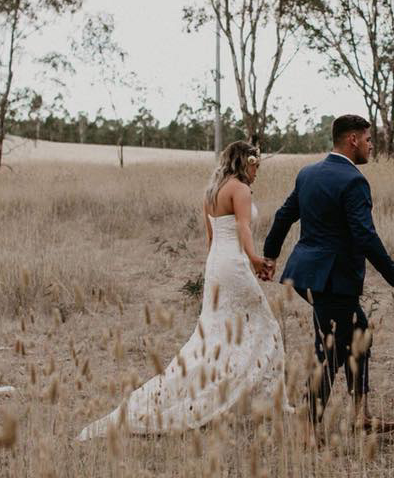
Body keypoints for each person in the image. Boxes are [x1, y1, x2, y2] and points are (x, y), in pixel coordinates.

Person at [78, 141, 286, 440]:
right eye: (256, 166)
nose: (257, 172)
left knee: (215, 333)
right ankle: (247, 395)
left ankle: (225, 388)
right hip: (234, 263)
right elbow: (244, 228)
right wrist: (254, 259)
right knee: (264, 325)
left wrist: (220, 267)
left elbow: (210, 238)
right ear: (245, 162)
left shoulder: (212, 190)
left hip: (216, 264)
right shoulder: (239, 189)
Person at [263, 114, 394, 435]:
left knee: (360, 335)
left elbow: (283, 215)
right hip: (332, 280)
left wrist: (271, 254)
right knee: (330, 352)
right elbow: (365, 236)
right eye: (369, 139)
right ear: (353, 140)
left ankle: (361, 415)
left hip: (306, 276)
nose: (372, 146)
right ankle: (306, 428)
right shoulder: (354, 180)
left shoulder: (308, 173)